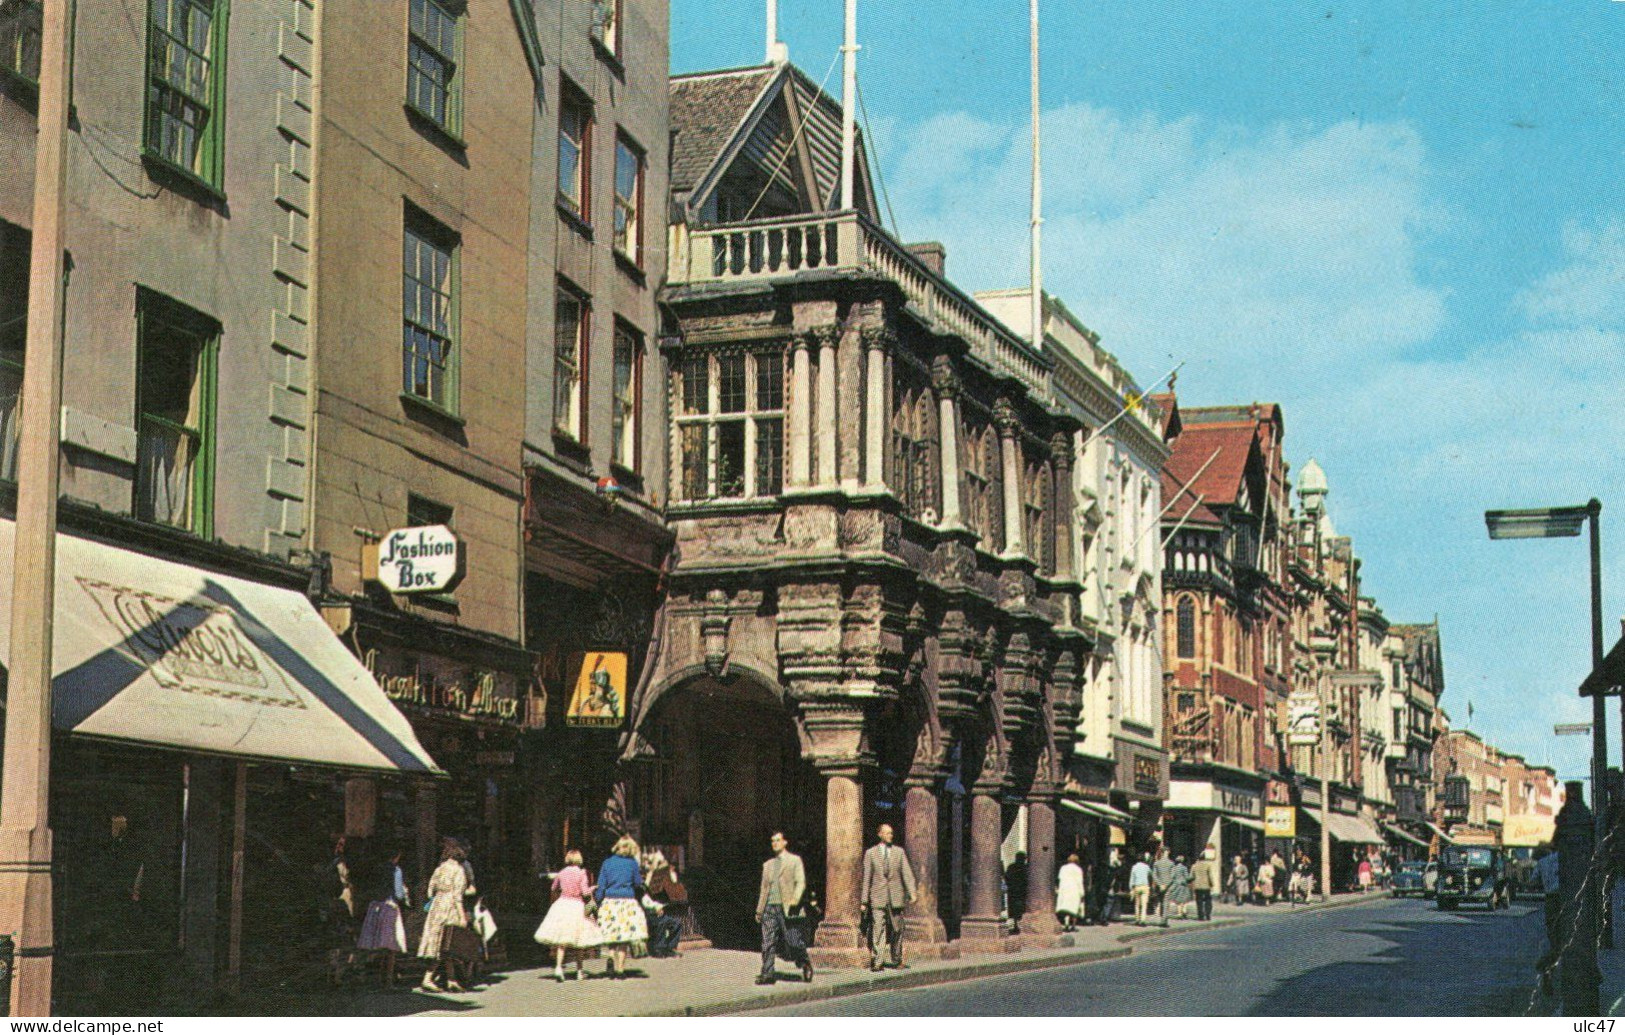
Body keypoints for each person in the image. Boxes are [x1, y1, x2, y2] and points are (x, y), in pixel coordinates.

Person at [755, 831, 813, 985]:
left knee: (793, 941)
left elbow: (800, 882)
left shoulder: (794, 861)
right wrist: (759, 910)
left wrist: (795, 900)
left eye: (778, 840)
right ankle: (767, 973)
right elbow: (764, 888)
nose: (775, 843)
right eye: (773, 841)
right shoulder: (767, 865)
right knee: (768, 942)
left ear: (785, 842)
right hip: (769, 908)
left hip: (788, 908)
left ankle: (804, 961)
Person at [535, 849, 603, 981]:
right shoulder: (581, 873)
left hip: (562, 904)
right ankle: (579, 971)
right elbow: (584, 892)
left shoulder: (561, 873)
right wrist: (592, 888)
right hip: (577, 905)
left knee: (562, 940)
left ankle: (559, 968)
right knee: (579, 941)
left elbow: (553, 888)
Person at [861, 823, 917, 970]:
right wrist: (864, 900)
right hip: (877, 896)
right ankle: (878, 962)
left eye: (891, 833)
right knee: (878, 928)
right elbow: (867, 878)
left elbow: (907, 873)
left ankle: (897, 959)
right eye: (887, 833)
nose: (890, 836)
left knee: (897, 929)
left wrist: (912, 892)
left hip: (895, 897)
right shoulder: (870, 853)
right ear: (879, 834)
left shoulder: (899, 852)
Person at [416, 838, 469, 993]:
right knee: (446, 943)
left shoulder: (439, 869)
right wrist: (462, 917)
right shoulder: (459, 870)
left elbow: (429, 890)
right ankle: (428, 978)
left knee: (443, 944)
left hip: (437, 906)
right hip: (450, 907)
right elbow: (458, 896)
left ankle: (452, 980)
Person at [595, 835, 649, 979]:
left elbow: (601, 885)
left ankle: (611, 957)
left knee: (612, 936)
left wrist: (598, 901)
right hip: (627, 902)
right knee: (624, 937)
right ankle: (620, 970)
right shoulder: (632, 864)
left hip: (610, 902)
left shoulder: (607, 862)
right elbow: (638, 883)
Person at [357, 848, 408, 989]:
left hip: (375, 906)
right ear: (397, 856)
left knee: (375, 943)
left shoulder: (375, 869)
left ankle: (374, 977)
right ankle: (388, 981)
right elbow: (398, 893)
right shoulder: (396, 870)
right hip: (389, 906)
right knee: (391, 946)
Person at [641, 849, 686, 959]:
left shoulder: (656, 881)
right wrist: (656, 907)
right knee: (661, 922)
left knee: (676, 923)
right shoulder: (642, 883)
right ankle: (658, 948)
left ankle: (670, 947)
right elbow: (645, 901)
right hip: (648, 912)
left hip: (658, 910)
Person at [1535, 844, 1563, 994]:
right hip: (1566, 899)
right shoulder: (1566, 859)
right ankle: (1547, 965)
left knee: (1554, 935)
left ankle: (1548, 967)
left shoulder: (1543, 862)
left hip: (1550, 900)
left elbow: (1533, 881)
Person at [1056, 852, 1085, 932]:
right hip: (1074, 890)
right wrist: (1082, 892)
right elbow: (1079, 881)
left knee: (1066, 908)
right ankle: (1073, 925)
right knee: (1074, 909)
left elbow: (1060, 878)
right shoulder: (1078, 869)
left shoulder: (1063, 868)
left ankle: (1066, 924)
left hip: (1065, 889)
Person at [1190, 848, 1218, 922]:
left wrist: (1191, 885)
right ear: (1204, 858)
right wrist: (1212, 884)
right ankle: (1208, 915)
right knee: (1208, 901)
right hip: (1206, 886)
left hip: (1197, 886)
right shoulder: (1207, 865)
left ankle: (1200, 916)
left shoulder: (1194, 866)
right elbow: (1210, 876)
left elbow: (1191, 877)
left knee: (1199, 901)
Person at [1151, 848, 1176, 926]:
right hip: (1167, 887)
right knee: (1166, 902)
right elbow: (1172, 876)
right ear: (1166, 853)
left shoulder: (1156, 863)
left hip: (1159, 887)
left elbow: (1154, 875)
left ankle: (1162, 918)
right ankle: (1164, 920)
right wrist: (1166, 885)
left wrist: (1160, 884)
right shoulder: (1171, 863)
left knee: (1161, 902)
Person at [1004, 851, 1028, 933]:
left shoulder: (1011, 867)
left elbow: (1007, 877)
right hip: (1022, 891)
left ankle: (1016, 926)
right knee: (1021, 909)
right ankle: (1019, 926)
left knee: (1015, 910)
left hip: (1013, 891)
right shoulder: (1026, 868)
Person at [1129, 852, 1153, 926]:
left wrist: (1131, 888)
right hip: (1145, 886)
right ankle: (1143, 920)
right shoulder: (1146, 867)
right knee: (1144, 904)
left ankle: (1137, 919)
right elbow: (1151, 874)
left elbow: (1132, 878)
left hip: (1137, 886)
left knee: (1137, 904)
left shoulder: (1134, 867)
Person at [1167, 855, 1194, 920]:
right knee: (1184, 899)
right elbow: (1187, 877)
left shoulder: (1174, 868)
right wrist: (1191, 878)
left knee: (1178, 900)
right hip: (1183, 884)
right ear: (1182, 861)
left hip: (1176, 885)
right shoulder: (1184, 868)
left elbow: (1172, 876)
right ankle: (1184, 911)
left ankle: (1179, 913)